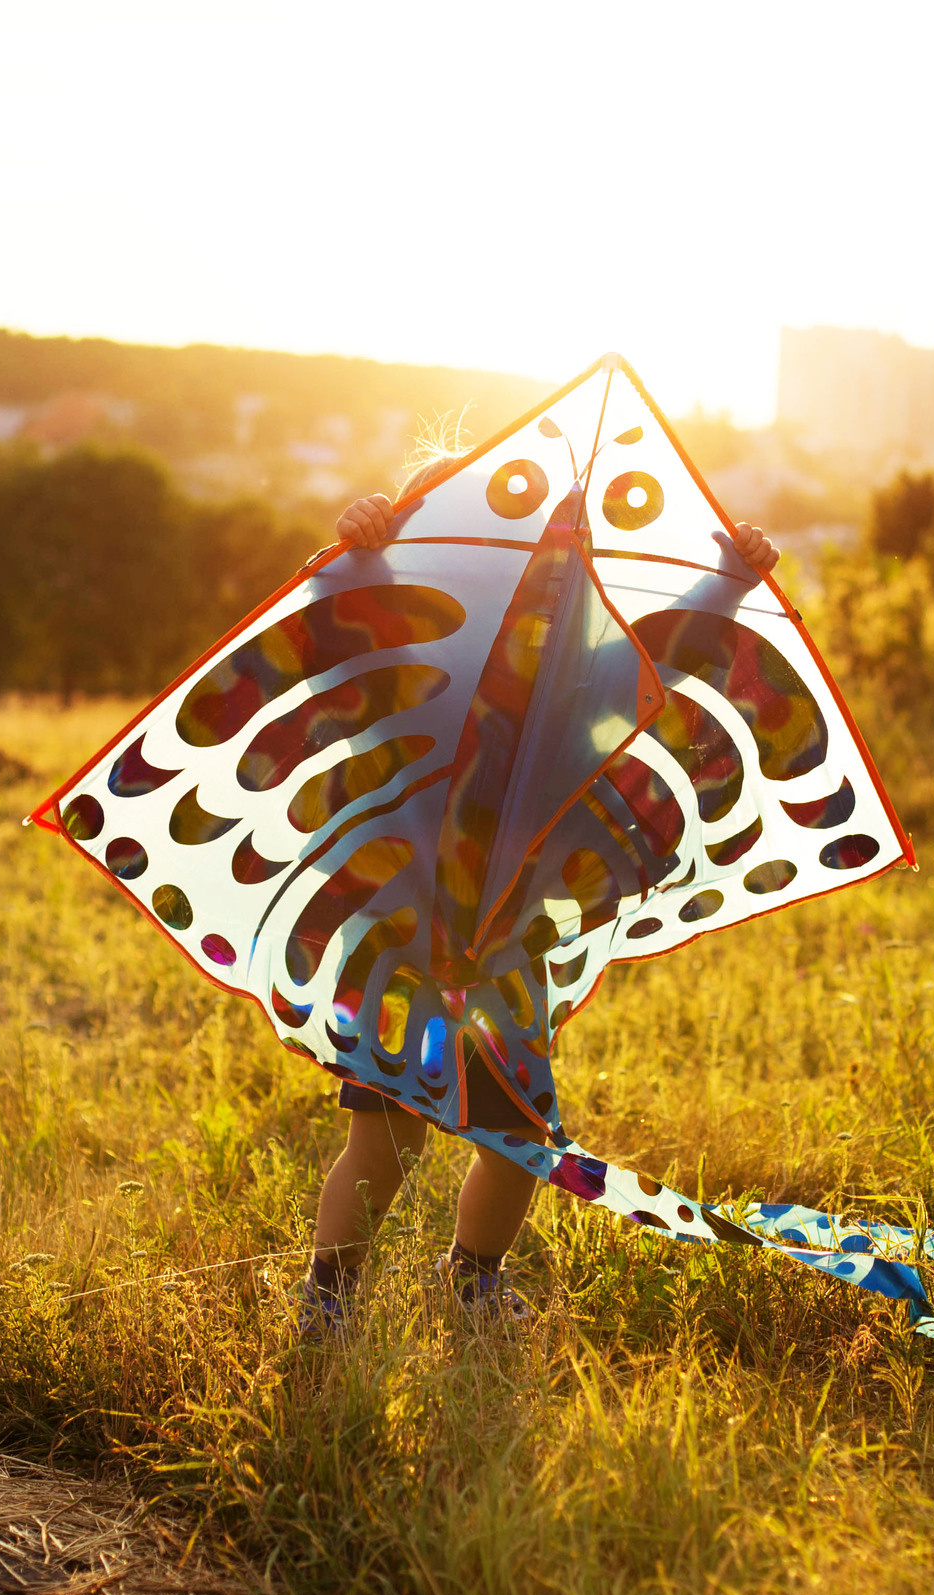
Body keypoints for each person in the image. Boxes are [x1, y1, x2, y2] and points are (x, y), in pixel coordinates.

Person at [300, 481, 780, 1332]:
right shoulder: (415, 639)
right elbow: (334, 633)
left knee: (516, 1137)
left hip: (505, 947)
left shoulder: (578, 673)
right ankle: (329, 1299)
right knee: (386, 1141)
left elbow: (664, 656)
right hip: (397, 934)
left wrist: (729, 579)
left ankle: (473, 1278)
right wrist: (359, 551)